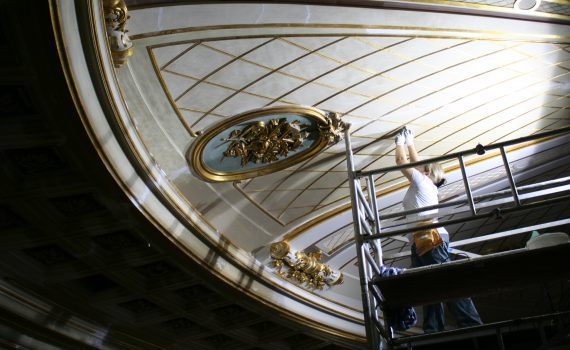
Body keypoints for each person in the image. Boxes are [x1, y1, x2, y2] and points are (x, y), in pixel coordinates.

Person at [395, 126, 483, 333]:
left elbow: (402, 162)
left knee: (446, 283)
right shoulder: (423, 185)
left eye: (421, 168)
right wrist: (410, 142)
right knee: (430, 287)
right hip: (421, 240)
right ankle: (433, 329)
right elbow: (417, 165)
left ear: (426, 172)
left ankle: (471, 325)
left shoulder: (424, 184)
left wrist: (400, 143)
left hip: (429, 238)